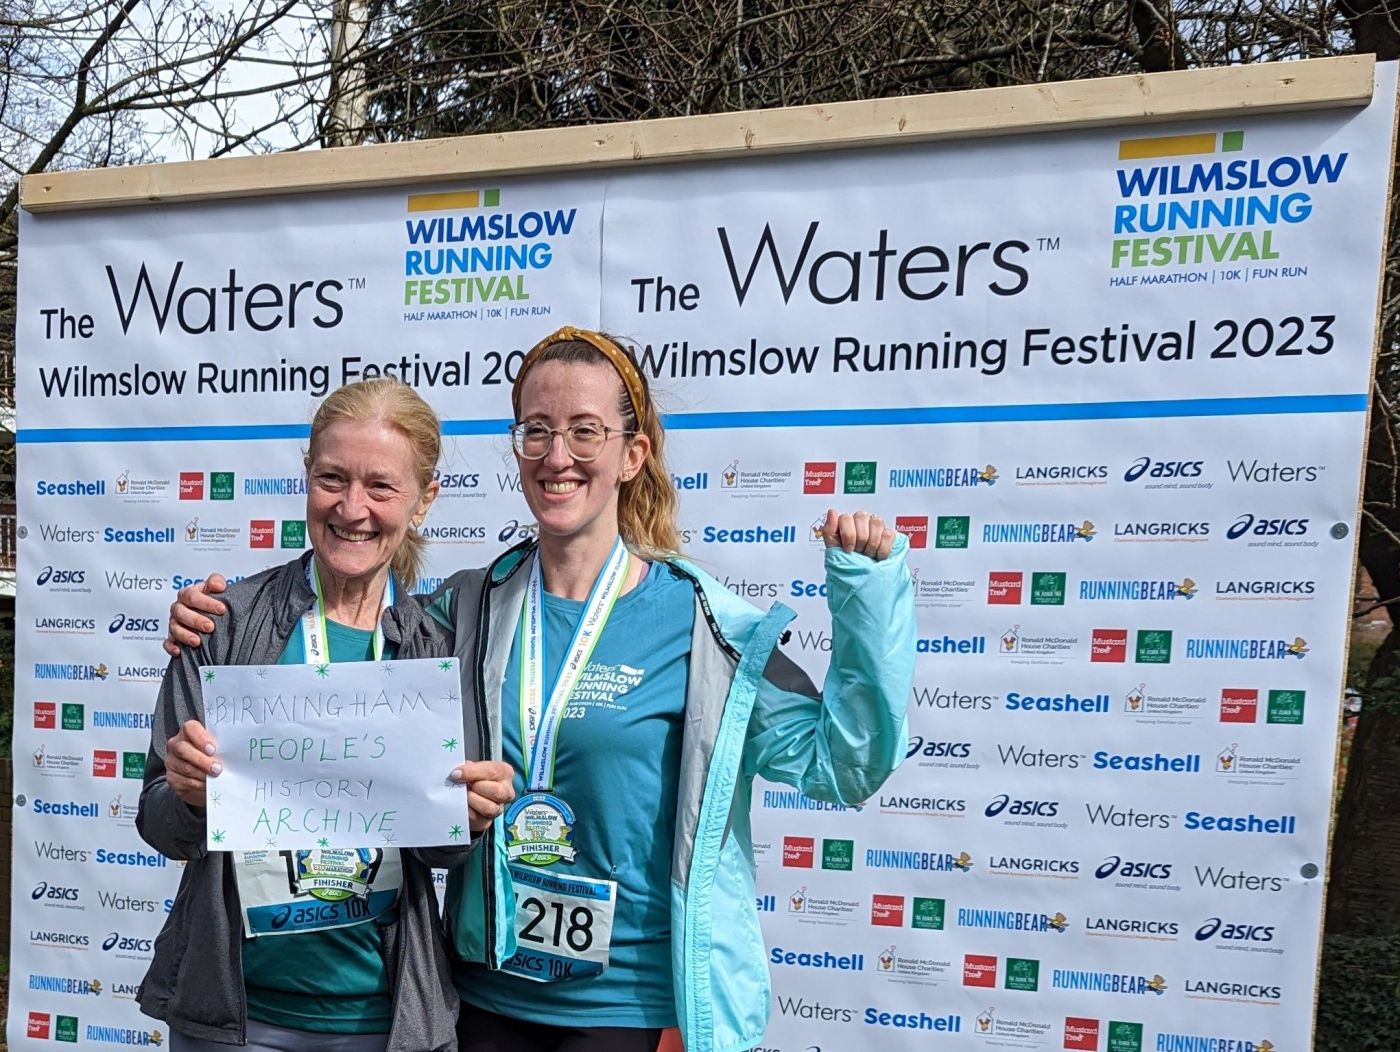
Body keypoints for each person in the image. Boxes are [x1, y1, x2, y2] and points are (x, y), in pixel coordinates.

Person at [165, 326, 916, 1052]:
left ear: (632, 455)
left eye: (586, 432)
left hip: (626, 1003)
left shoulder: (703, 625)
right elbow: (347, 662)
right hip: (481, 995)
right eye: (538, 432)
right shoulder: (461, 611)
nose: (559, 456)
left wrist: (869, 595)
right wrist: (214, 621)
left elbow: (842, 763)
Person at [139, 379, 480, 1052]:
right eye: (332, 479)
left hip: (378, 1021)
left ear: (424, 500)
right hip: (233, 1019)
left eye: (381, 487)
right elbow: (159, 823)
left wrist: (469, 815)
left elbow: (442, 849)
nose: (352, 508)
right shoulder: (222, 626)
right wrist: (186, 795)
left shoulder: (434, 648)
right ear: (306, 477)